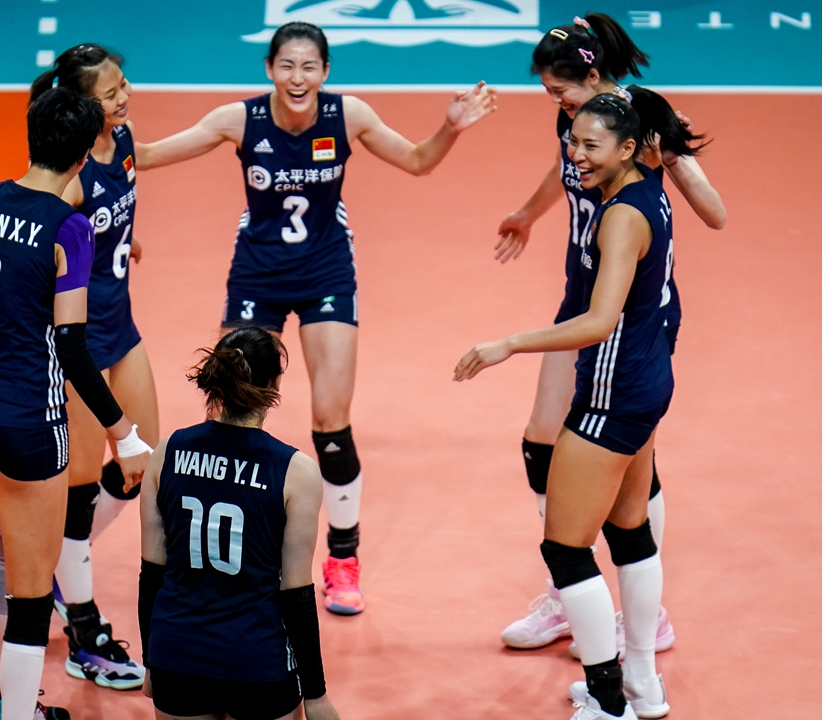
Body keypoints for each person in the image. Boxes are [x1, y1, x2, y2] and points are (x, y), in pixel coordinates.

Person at [131, 21, 496, 614]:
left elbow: (419, 161)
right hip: (257, 275)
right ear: (269, 70)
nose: (298, 78)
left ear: (325, 72)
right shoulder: (238, 120)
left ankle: (343, 558)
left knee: (330, 416)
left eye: (309, 67)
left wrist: (449, 129)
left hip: (327, 272)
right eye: (286, 66)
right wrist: (103, 126)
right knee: (229, 404)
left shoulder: (346, 115)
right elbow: (145, 156)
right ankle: (231, 545)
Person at [456, 90, 704, 719]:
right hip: (649, 383)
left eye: (591, 146)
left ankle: (607, 701)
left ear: (628, 147)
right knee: (631, 535)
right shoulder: (651, 185)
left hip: (611, 394)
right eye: (573, 142)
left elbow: (597, 321)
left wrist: (506, 344)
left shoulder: (621, 215)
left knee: (566, 550)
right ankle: (643, 685)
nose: (576, 155)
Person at [492, 13, 726, 657]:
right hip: (583, 297)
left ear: (591, 77)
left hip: (630, 314)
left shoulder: (639, 130)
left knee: (629, 460)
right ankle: (571, 596)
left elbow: (715, 214)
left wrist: (670, 161)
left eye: (560, 91)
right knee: (541, 443)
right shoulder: (577, 128)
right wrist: (527, 213)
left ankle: (645, 616)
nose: (557, 105)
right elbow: (564, 171)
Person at [0, 86, 152, 720]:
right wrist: (122, 433)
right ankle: (19, 717)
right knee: (32, 590)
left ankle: (6, 704)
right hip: (27, 417)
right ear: (84, 155)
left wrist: (2, 316)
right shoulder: (70, 228)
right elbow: (75, 349)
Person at [27, 43, 158, 692]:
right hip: (75, 342)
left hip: (122, 328)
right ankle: (83, 632)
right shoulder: (71, 180)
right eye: (110, 93)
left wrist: (123, 237)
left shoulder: (125, 140)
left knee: (141, 461)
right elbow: (49, 241)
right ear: (82, 106)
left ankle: (58, 568)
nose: (124, 97)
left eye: (124, 84)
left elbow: (123, 195)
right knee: (80, 488)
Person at [136, 327, 342, 720]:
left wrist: (151, 661)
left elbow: (152, 574)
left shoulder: (168, 452)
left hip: (177, 655)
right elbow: (295, 594)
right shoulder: (295, 471)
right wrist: (314, 694)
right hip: (257, 662)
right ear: (273, 385)